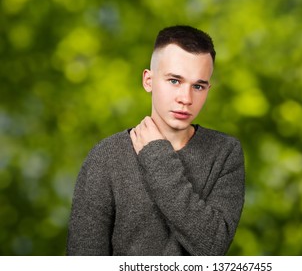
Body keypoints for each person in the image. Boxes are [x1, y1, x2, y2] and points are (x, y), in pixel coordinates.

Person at [67, 25, 245, 256]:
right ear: (148, 81)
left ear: (208, 89)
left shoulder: (225, 153)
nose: (186, 98)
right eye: (174, 81)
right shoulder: (105, 157)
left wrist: (156, 155)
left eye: (198, 86)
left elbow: (212, 246)